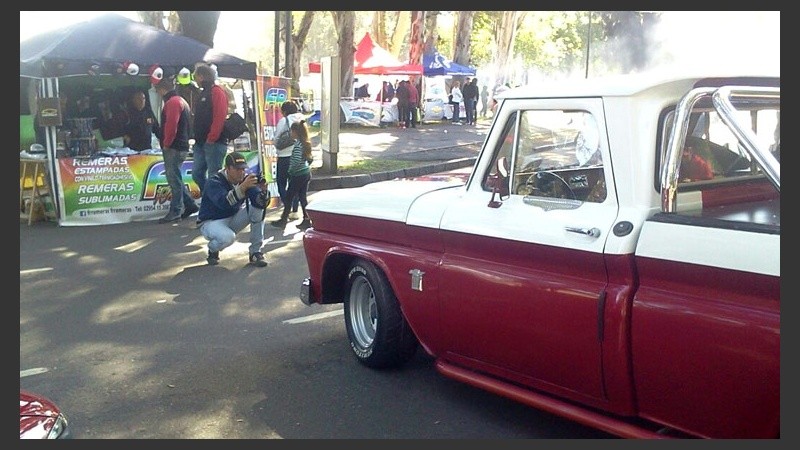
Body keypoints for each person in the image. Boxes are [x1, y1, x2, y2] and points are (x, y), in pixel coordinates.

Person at [197, 151, 269, 267]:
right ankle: (213, 249)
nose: (241, 173)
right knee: (228, 237)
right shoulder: (214, 181)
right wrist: (242, 188)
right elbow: (224, 203)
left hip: (231, 218)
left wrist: (263, 193)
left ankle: (255, 252)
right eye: (237, 169)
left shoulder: (244, 181)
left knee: (258, 210)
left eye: (243, 169)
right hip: (210, 222)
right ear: (227, 169)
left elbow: (260, 203)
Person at [153, 77, 199, 223]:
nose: (158, 94)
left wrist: (167, 142)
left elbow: (171, 125)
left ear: (162, 89)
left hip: (174, 146)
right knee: (176, 177)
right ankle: (189, 204)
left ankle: (175, 210)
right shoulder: (180, 101)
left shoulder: (172, 103)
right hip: (181, 145)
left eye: (158, 91)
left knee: (173, 179)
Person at [191, 63, 229, 195]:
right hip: (201, 142)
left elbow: (219, 116)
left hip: (214, 142)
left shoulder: (216, 92)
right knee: (196, 173)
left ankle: (216, 201)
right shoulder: (203, 93)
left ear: (201, 76)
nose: (194, 79)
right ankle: (210, 197)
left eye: (195, 76)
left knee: (214, 176)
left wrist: (212, 138)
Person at [271, 120, 313, 229]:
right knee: (302, 197)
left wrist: (290, 171)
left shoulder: (298, 145)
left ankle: (283, 220)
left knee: (289, 197)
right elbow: (309, 159)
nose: (290, 133)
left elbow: (296, 161)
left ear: (296, 132)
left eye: (292, 131)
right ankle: (307, 219)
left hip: (298, 174)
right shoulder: (304, 143)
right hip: (305, 173)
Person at [274, 101, 305, 218]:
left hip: (284, 157)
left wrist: (276, 143)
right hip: (299, 155)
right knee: (295, 184)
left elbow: (277, 138)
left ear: (285, 111)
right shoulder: (302, 119)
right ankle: (295, 210)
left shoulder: (284, 121)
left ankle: (287, 206)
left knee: (281, 182)